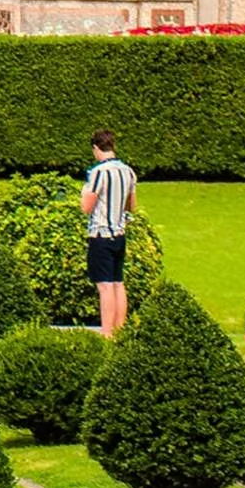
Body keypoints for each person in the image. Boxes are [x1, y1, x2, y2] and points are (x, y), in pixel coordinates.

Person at [82, 130, 136, 338]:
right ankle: (120, 330)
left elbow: (87, 207)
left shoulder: (98, 173)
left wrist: (83, 194)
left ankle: (107, 333)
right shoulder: (128, 171)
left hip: (101, 234)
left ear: (96, 148)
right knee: (118, 282)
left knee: (104, 286)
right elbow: (132, 205)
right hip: (119, 233)